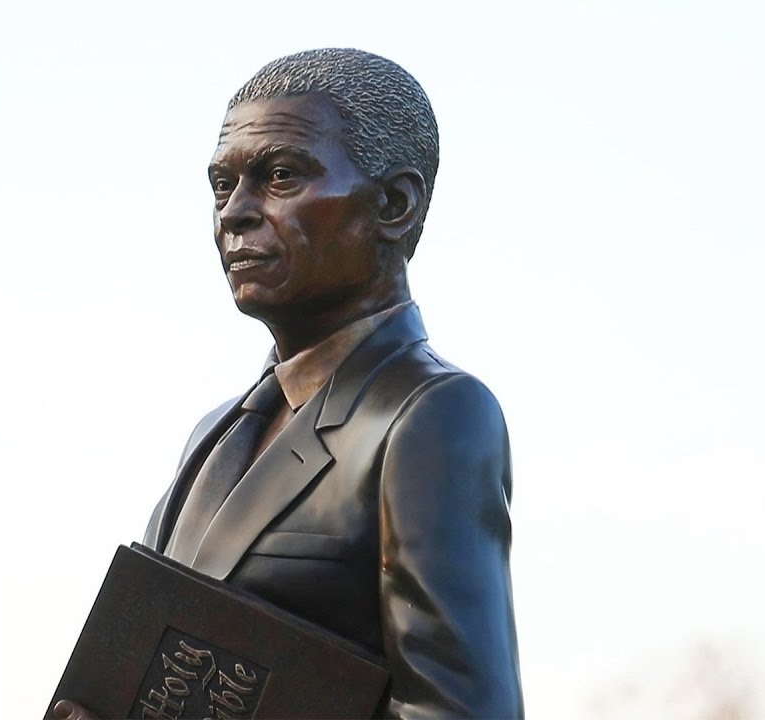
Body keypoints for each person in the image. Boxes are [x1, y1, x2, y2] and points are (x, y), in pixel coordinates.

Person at [139, 48, 523, 718]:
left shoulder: (430, 414)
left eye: (280, 177)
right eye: (223, 185)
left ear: (394, 204)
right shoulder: (213, 432)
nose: (234, 213)